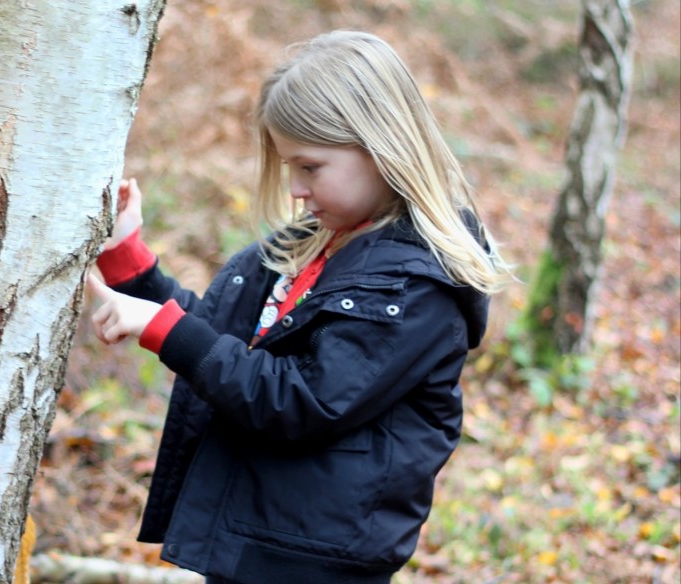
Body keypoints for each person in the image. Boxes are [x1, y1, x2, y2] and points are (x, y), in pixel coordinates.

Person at [88, 30, 511, 584]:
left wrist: (163, 329)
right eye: (289, 166)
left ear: (382, 149)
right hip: (261, 536)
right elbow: (221, 343)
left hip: (311, 562)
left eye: (310, 167)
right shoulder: (313, 246)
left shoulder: (411, 287)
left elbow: (299, 399)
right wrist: (131, 264)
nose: (294, 188)